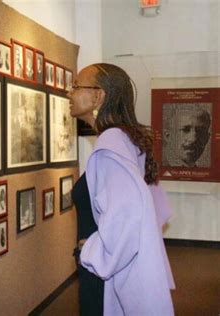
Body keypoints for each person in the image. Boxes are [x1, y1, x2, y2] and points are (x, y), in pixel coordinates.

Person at [68, 63, 175, 315]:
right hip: (120, 270)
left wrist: (94, 250)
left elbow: (129, 214)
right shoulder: (126, 139)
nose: (69, 93)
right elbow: (153, 206)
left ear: (98, 96)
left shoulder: (110, 145)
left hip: (104, 274)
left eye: (76, 87)